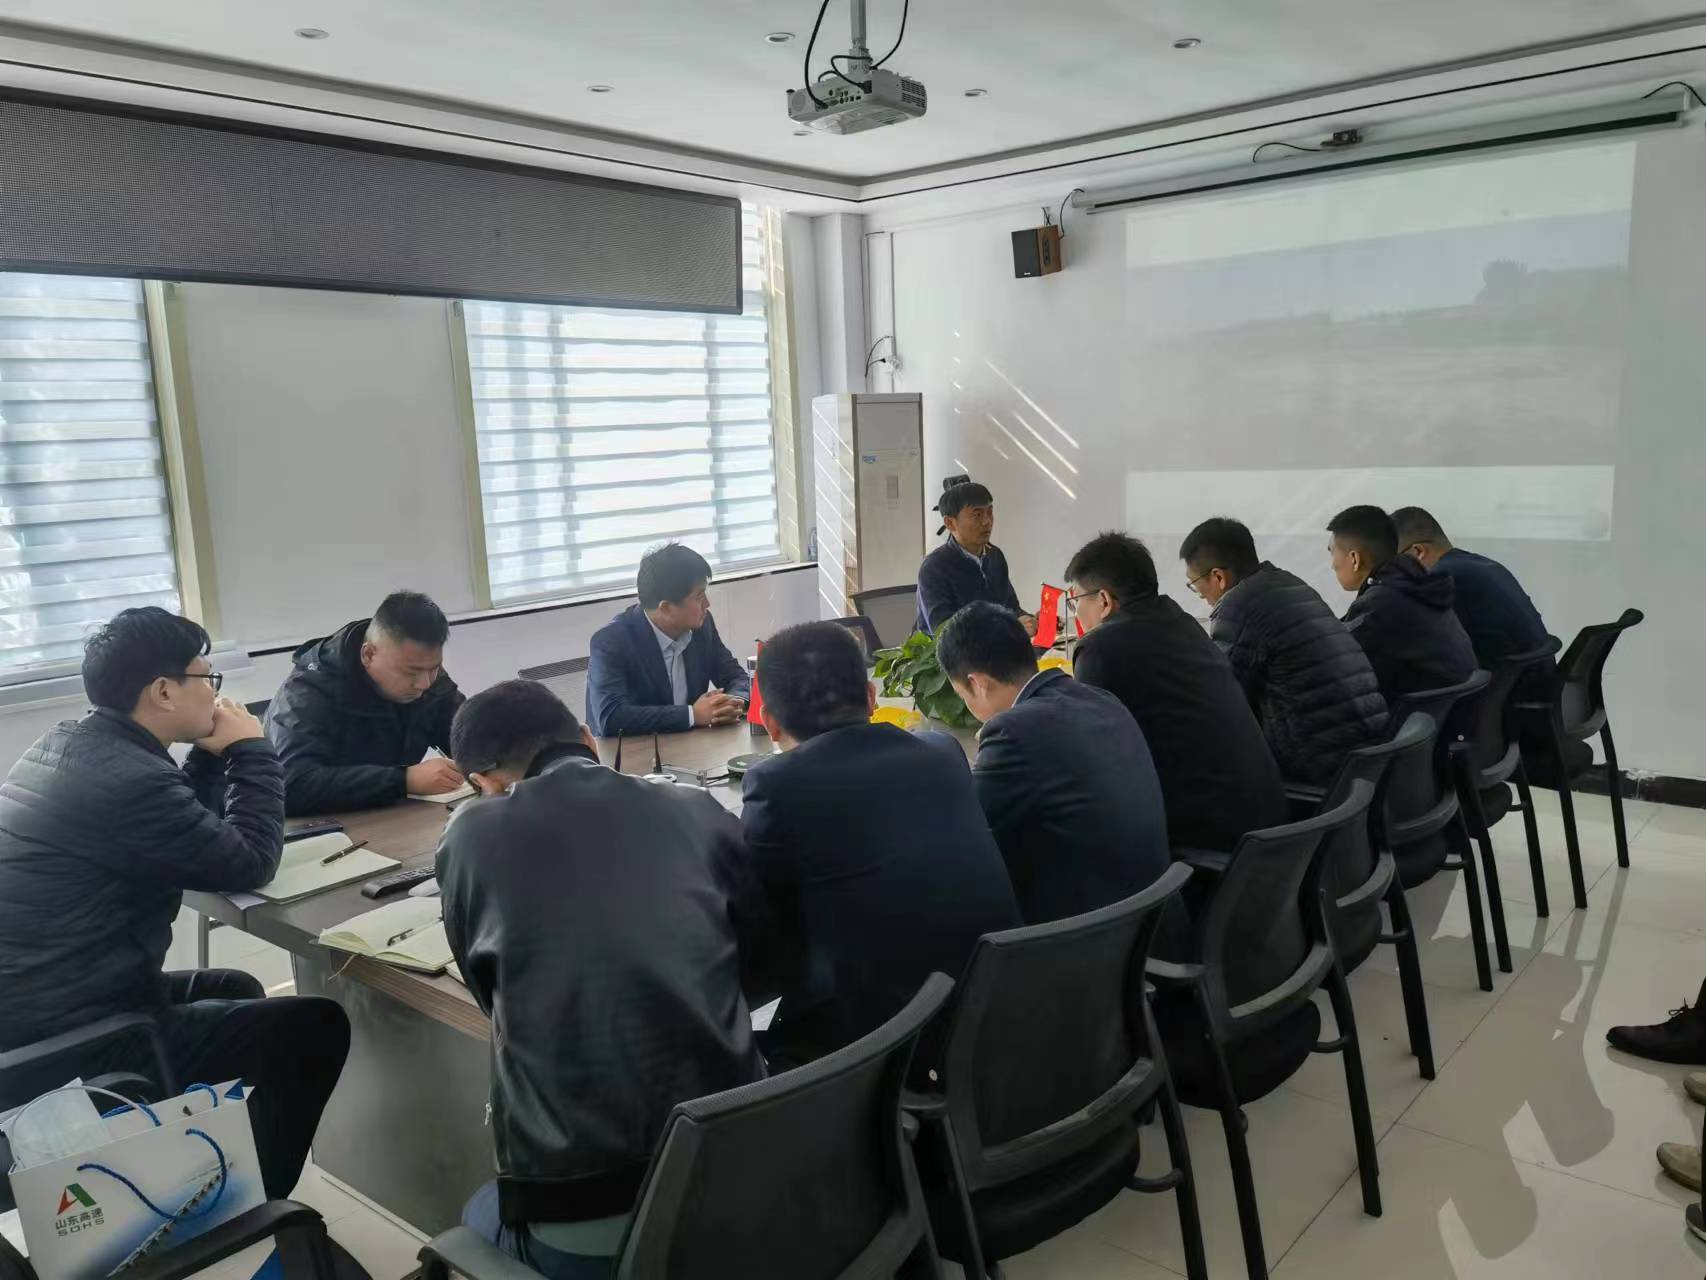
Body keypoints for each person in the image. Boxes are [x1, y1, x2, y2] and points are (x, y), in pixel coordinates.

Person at [0, 608, 349, 1199]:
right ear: (164, 690)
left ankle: (205, 1161)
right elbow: (247, 862)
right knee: (316, 1026)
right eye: (208, 679)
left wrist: (211, 756)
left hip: (41, 1006)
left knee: (236, 986)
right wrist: (253, 751)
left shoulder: (73, 745)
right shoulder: (127, 779)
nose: (216, 693)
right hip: (76, 1037)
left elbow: (186, 825)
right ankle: (247, 1202)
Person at [439, 680, 765, 1280]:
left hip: (583, 1206)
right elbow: (753, 959)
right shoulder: (696, 808)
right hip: (740, 1165)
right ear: (588, 739)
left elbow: (489, 996)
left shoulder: (471, 835)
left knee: (476, 1212)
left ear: (485, 782)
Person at [741, 621, 1019, 1066]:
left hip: (881, 1048)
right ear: (872, 698)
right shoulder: (942, 753)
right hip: (992, 1011)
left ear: (769, 722)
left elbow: (758, 936)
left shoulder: (776, 785)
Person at [934, 601, 1170, 924]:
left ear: (977, 683)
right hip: (1153, 914)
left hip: (1092, 931)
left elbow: (973, 838)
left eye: (963, 695)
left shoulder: (1012, 733)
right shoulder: (1101, 699)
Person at [1065, 531, 1286, 853]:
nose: (1075, 613)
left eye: (1076, 601)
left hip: (1214, 841)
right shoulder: (1183, 622)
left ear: (1103, 600)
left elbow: (1095, 758)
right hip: (1270, 827)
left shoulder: (1100, 648)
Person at [1179, 516, 1388, 785]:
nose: (1202, 597)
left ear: (1218, 577)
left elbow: (1222, 703)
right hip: (1366, 753)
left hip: (1320, 769)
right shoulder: (1290, 584)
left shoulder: (1239, 606)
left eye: (1195, 586)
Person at [266, 591, 465, 816]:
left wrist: (489, 758)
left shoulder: (422, 671)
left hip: (394, 815)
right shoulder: (306, 694)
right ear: (368, 654)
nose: (424, 683)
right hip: (328, 826)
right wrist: (404, 780)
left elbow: (469, 734)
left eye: (434, 668)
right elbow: (291, 785)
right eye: (411, 672)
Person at [584, 543, 751, 738]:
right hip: (631, 752)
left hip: (690, 746)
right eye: (699, 597)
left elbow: (736, 676)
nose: (707, 603)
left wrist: (733, 702)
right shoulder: (611, 642)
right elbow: (611, 718)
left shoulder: (701, 626)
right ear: (666, 608)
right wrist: (693, 715)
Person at [1327, 505, 1478, 701]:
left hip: (1417, 714)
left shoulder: (1382, 602)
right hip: (1448, 711)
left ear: (1355, 559)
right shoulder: (1415, 586)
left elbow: (1330, 657)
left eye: (1332, 553)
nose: (1332, 565)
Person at [1391, 505, 1551, 668]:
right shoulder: (1481, 565)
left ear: (1418, 552)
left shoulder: (1442, 577)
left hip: (1510, 681)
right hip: (1536, 676)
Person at [915, 478, 1037, 636]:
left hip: (995, 647)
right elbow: (944, 632)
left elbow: (1011, 607)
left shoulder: (994, 556)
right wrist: (1007, 628)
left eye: (990, 512)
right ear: (950, 523)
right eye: (977, 515)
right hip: (948, 651)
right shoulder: (934, 567)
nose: (987, 522)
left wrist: (1031, 620)